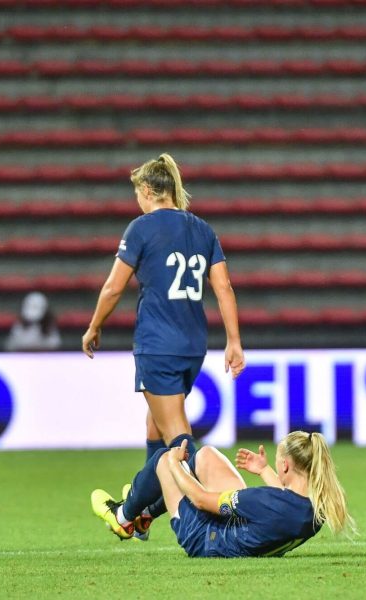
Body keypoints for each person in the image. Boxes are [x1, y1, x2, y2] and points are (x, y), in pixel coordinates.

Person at [81, 153, 246, 538]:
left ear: (148, 191)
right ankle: (145, 511)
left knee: (180, 442)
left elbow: (113, 286)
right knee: (155, 421)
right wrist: (234, 341)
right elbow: (223, 288)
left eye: (137, 193)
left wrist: (94, 326)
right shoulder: (203, 229)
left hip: (158, 344)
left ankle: (130, 512)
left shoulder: (141, 228)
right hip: (193, 345)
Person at [91, 431, 354, 557]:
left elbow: (201, 500)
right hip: (245, 532)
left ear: (285, 465)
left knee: (163, 458)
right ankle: (145, 516)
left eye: (276, 463)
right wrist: (263, 470)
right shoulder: (318, 506)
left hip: (207, 540)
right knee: (205, 456)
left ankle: (124, 517)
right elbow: (283, 501)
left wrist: (173, 465)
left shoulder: (264, 501)